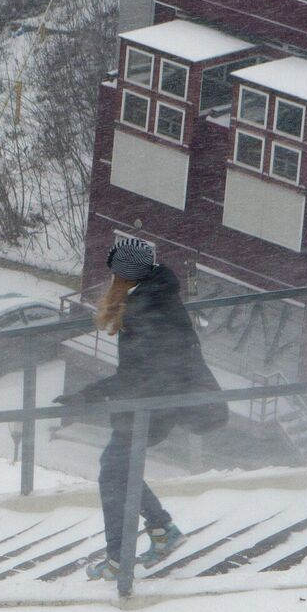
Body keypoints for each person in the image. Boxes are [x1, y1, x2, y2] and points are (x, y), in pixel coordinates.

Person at [58, 237, 226, 580]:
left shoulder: (144, 308)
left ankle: (119, 561)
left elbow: (136, 374)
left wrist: (87, 396)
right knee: (120, 469)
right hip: (159, 400)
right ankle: (163, 531)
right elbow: (146, 369)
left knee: (112, 471)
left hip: (153, 405)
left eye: (114, 274)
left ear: (125, 274)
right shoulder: (158, 294)